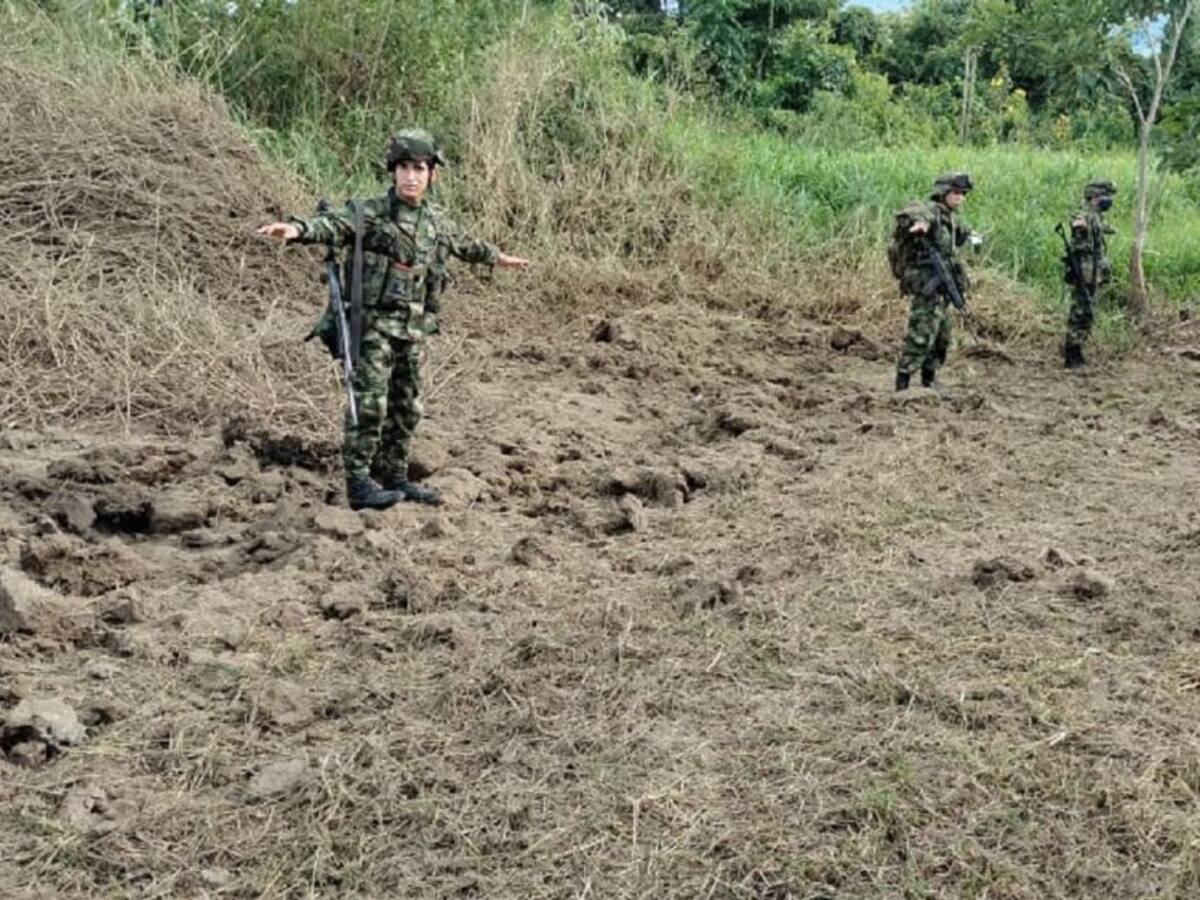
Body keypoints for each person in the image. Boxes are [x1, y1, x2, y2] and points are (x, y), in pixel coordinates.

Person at [257, 128, 529, 510]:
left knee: (407, 407)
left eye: (419, 167)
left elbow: (466, 245)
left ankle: (395, 473)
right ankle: (358, 482)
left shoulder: (436, 221)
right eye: (403, 167)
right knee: (369, 403)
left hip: (413, 330)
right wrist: (297, 229)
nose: (411, 176)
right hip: (374, 328)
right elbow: (333, 224)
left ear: (432, 173)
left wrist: (499, 258)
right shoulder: (370, 213)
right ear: (393, 171)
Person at [891, 172, 977, 392]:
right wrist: (920, 224)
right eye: (956, 193)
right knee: (920, 336)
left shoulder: (950, 218)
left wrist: (972, 236)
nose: (961, 198)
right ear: (944, 193)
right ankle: (903, 382)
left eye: (963, 194)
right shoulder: (931, 211)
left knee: (942, 338)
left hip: (942, 289)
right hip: (928, 286)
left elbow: (960, 236)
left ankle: (929, 380)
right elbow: (915, 212)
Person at [1063, 180, 1116, 369]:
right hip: (1083, 271)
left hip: (1094, 271)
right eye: (1105, 196)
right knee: (1079, 311)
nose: (1108, 200)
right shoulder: (1083, 216)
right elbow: (1079, 244)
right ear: (1094, 197)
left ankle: (1078, 350)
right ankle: (1072, 353)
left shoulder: (1096, 216)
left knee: (1088, 312)